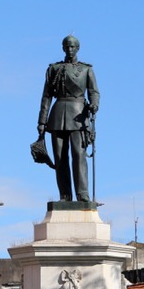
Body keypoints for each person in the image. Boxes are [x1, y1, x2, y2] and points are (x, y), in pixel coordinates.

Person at [37, 35, 99, 203]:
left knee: (79, 155)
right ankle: (65, 195)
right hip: (58, 116)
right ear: (63, 48)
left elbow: (93, 91)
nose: (70, 49)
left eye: (73, 47)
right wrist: (42, 122)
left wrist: (94, 104)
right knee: (60, 158)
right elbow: (46, 97)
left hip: (78, 116)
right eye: (67, 46)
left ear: (77, 48)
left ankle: (82, 194)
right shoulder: (54, 69)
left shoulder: (87, 70)